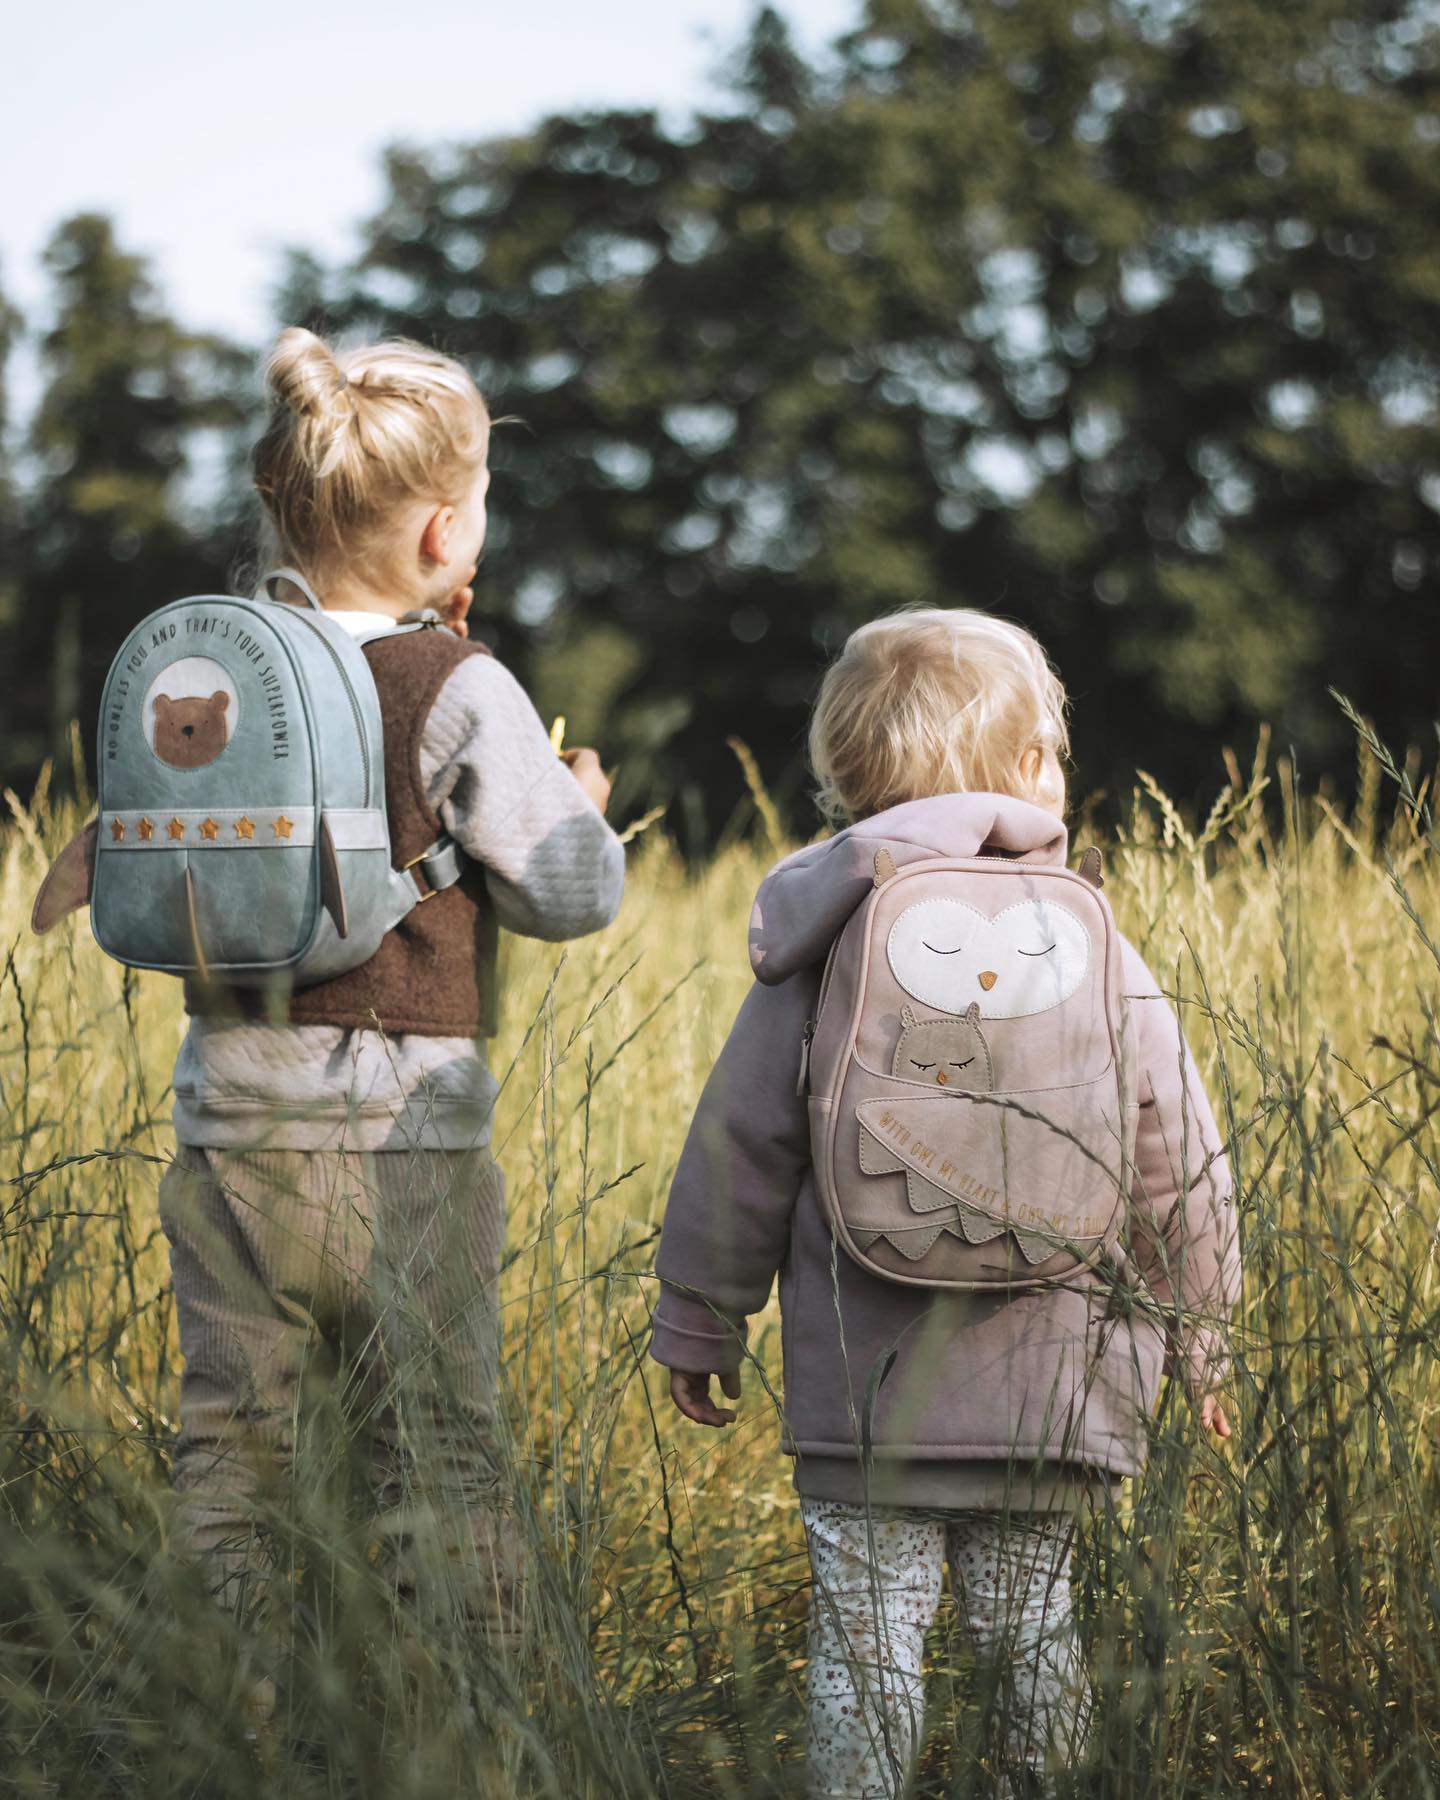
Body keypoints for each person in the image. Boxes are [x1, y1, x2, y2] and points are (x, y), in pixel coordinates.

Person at [648, 608, 1239, 1799]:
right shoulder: (1090, 939)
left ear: (844, 775)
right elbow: (1177, 1145)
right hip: (1047, 1390)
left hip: (866, 1399)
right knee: (1033, 1636)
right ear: (1029, 770)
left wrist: (699, 1317)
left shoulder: (830, 932)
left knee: (868, 1649)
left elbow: (741, 1142)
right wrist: (1200, 1330)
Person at [157, 329, 625, 1684]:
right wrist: (579, 811)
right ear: (440, 533)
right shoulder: (455, 684)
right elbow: (572, 895)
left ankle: (218, 1714)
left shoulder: (223, 680)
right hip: (403, 1145)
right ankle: (467, 1721)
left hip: (231, 1118)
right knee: (441, 1445)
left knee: (230, 1447)